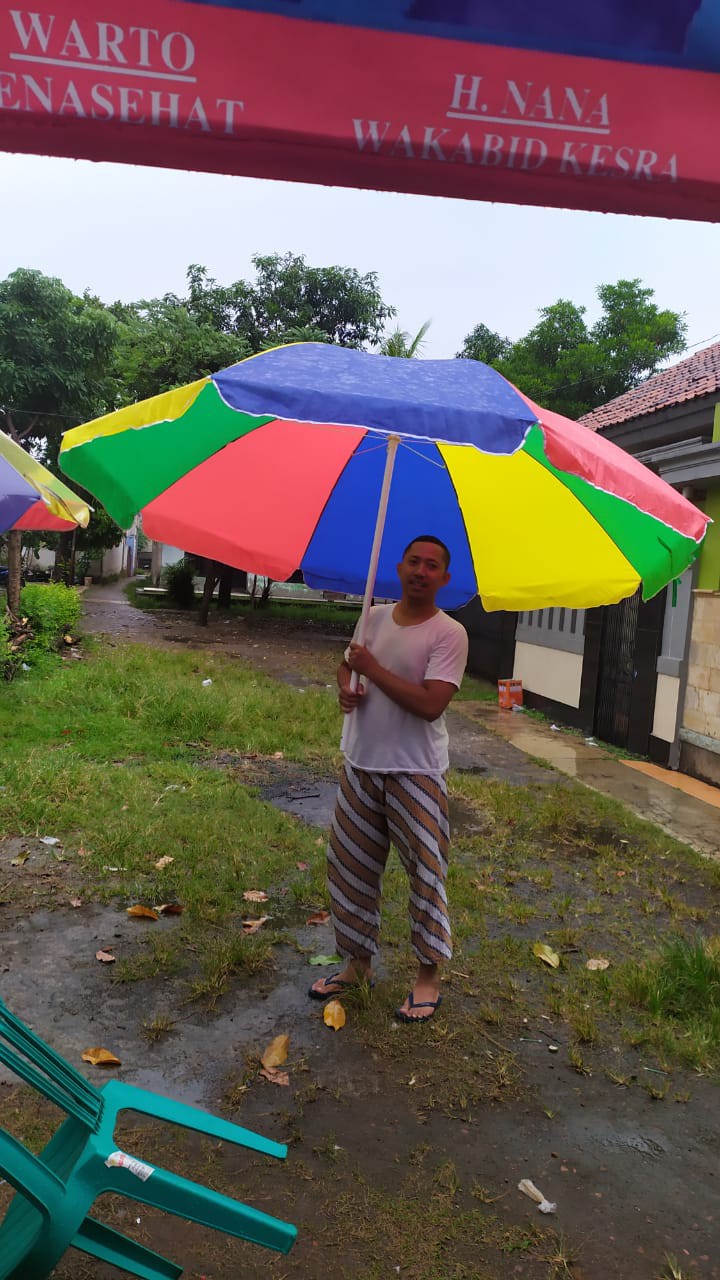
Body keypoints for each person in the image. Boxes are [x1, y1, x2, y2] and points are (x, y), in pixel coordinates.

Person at [309, 535, 468, 1022]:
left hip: (415, 771)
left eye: (432, 565)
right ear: (399, 568)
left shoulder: (449, 634)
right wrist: (346, 688)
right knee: (350, 866)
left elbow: (430, 703)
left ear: (444, 578)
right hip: (361, 762)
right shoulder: (372, 617)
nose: (421, 571)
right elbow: (346, 666)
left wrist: (371, 669)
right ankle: (358, 964)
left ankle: (427, 976)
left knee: (425, 873)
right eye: (414, 562)